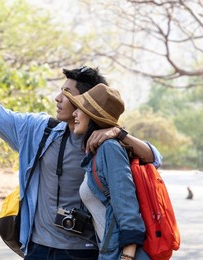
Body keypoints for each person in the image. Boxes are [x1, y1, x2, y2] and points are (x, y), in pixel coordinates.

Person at [0, 66, 162, 259]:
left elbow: (153, 158)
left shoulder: (105, 143)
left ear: (87, 102)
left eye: (66, 93)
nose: (57, 98)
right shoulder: (39, 131)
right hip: (38, 249)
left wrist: (120, 134)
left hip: (83, 251)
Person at [64, 83, 151, 260]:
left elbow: (126, 204)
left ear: (92, 116)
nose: (74, 113)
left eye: (79, 109)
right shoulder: (97, 151)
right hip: (109, 252)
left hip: (123, 255)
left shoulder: (110, 149)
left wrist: (127, 256)